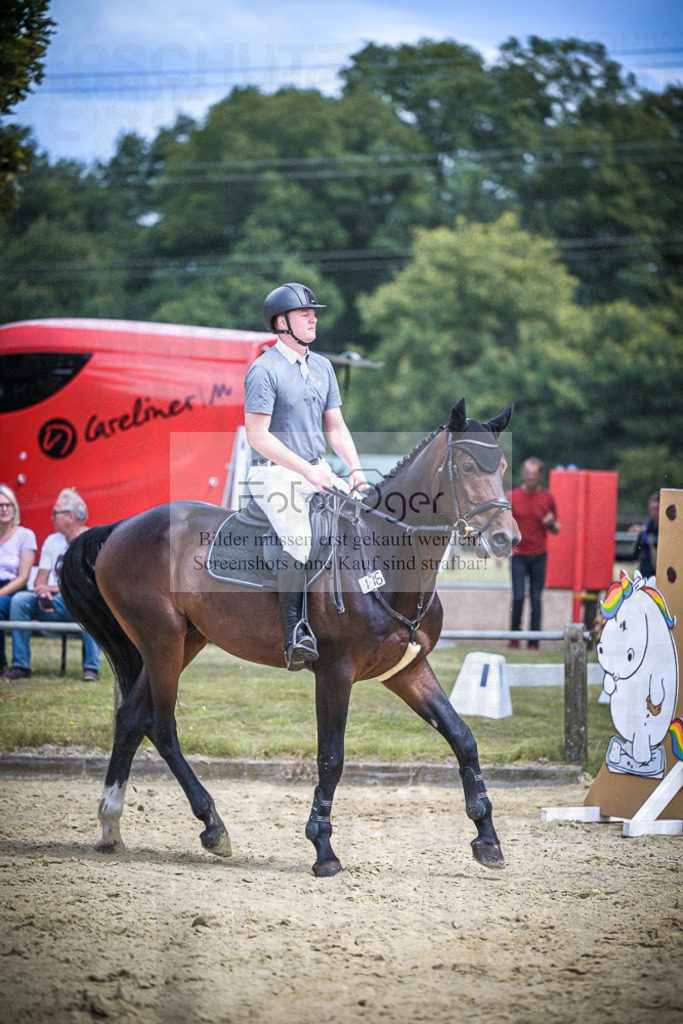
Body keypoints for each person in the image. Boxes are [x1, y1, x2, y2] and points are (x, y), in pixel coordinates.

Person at [244, 282, 369, 670]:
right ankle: (295, 632)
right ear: (281, 323)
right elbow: (257, 436)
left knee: (365, 520)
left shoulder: (323, 367)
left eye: (314, 312)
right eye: (304, 313)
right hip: (274, 475)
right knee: (299, 538)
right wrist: (308, 470)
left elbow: (335, 428)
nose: (314, 317)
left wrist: (356, 470)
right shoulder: (263, 370)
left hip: (317, 471)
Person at [3, 488, 101, 681]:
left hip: (81, 605)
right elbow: (40, 579)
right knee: (20, 600)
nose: (52, 518)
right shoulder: (51, 541)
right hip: (54, 604)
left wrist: (54, 589)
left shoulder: (93, 541)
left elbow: (90, 585)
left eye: (55, 513)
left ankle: (91, 668)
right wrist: (41, 591)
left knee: (92, 604)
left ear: (70, 516)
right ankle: (21, 666)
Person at [507, 457, 560, 649]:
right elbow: (503, 526)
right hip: (518, 554)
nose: (530, 477)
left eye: (533, 474)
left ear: (540, 476)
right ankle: (514, 638)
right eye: (527, 473)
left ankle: (533, 641)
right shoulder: (511, 496)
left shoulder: (547, 498)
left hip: (539, 555)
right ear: (523, 474)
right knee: (519, 595)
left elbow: (557, 528)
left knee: (536, 597)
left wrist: (551, 523)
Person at [0, 485, 38, 674]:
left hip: (13, 589)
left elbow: (23, 578)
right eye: (0, 505)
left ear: (14, 508)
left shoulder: (25, 535)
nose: (4, 509)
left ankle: (12, 663)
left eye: (8, 505)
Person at [628, 492, 659, 581]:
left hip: (659, 575)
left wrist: (644, 529)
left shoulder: (666, 529)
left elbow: (660, 530)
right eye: (652, 508)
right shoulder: (645, 529)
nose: (654, 512)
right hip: (644, 574)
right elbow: (635, 556)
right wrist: (613, 555)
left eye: (656, 508)